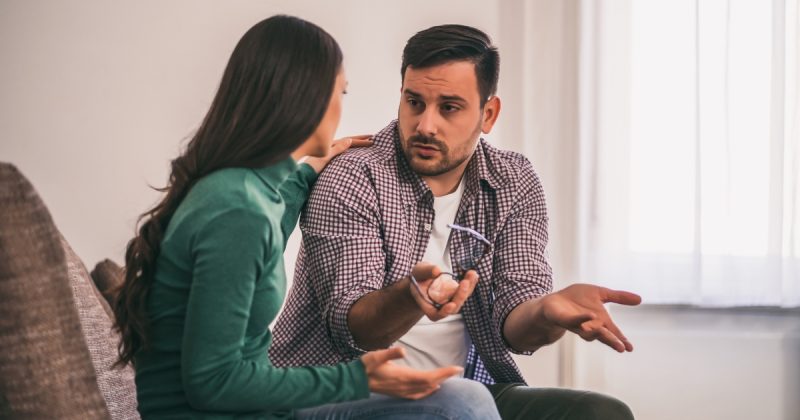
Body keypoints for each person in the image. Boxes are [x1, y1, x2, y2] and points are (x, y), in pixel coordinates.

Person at [112, 15, 501, 420]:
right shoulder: (236, 209)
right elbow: (212, 383)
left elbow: (262, 243)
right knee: (462, 403)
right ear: (305, 97)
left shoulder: (241, 193)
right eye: (341, 93)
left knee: (461, 399)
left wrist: (304, 172)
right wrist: (356, 379)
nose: (341, 108)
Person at [270, 24, 642, 419]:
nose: (426, 125)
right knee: (466, 401)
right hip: (335, 390)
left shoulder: (512, 179)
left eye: (449, 107)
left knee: (600, 413)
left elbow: (515, 324)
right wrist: (412, 296)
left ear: (489, 114)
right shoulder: (353, 175)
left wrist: (548, 312)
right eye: (415, 102)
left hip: (456, 392)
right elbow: (354, 327)